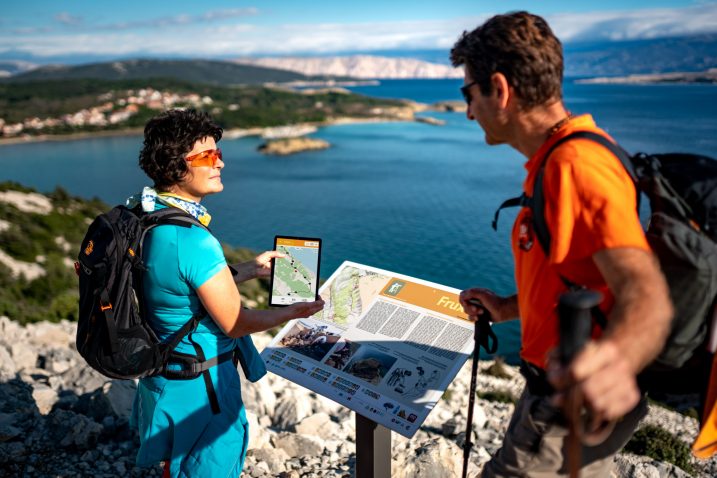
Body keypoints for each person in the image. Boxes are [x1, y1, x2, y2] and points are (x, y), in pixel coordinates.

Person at [450, 12, 674, 477]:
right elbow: (578, 279)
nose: (468, 111)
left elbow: (644, 287)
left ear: (500, 89)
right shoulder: (557, 156)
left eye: (468, 93)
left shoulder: (576, 166)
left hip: (567, 403)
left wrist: (617, 359)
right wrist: (507, 307)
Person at [129, 108, 324, 478]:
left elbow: (177, 284)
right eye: (208, 156)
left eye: (218, 153)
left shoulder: (147, 216)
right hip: (203, 389)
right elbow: (236, 323)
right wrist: (292, 312)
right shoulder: (194, 241)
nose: (220, 162)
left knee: (176, 466)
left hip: (166, 376)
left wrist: (249, 269)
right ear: (175, 165)